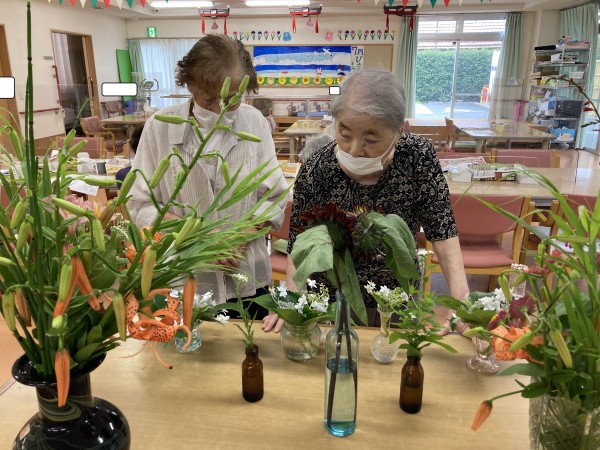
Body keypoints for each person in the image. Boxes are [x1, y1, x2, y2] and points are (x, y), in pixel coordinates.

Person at [262, 68, 469, 332]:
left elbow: (442, 228)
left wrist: (461, 300)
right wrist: (293, 299)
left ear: (398, 132)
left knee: (394, 350)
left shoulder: (417, 157)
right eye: (345, 134)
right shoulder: (318, 168)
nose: (354, 150)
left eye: (370, 140)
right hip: (332, 297)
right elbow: (300, 242)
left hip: (395, 294)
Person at [127, 34, 289, 317]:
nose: (221, 110)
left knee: (249, 339)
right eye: (209, 99)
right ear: (189, 85)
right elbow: (139, 204)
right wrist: (199, 235)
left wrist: (241, 235)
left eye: (233, 101)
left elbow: (274, 195)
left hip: (246, 277)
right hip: (181, 279)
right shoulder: (159, 127)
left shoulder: (254, 123)